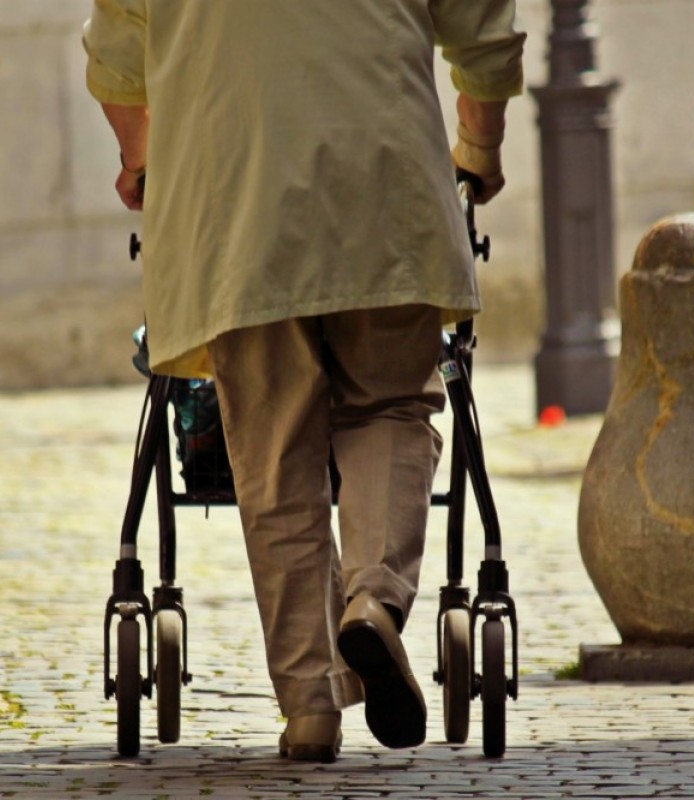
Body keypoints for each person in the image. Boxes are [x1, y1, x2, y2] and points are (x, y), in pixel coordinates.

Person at [83, 1, 525, 762]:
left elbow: (117, 62)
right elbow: (484, 28)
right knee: (390, 404)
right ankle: (374, 597)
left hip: (234, 198)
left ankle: (311, 706)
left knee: (274, 443)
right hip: (385, 178)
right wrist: (479, 147)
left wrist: (145, 161)